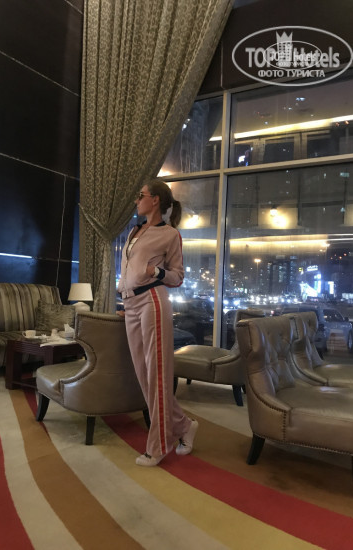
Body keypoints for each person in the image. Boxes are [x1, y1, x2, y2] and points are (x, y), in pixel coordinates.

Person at [117, 178, 198, 467]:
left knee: (157, 375)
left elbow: (177, 276)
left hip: (152, 301)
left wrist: (157, 272)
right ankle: (184, 425)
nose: (137, 200)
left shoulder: (170, 234)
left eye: (141, 195)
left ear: (155, 200)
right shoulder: (135, 230)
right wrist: (126, 299)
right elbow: (129, 270)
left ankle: (159, 445)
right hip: (131, 304)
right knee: (144, 376)